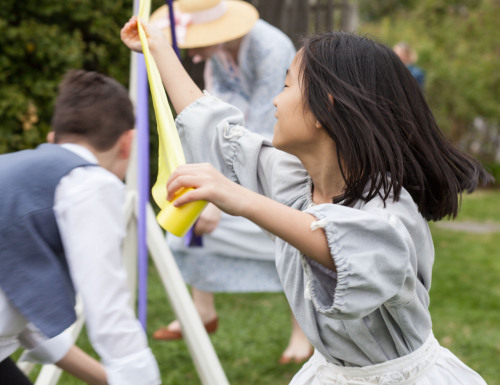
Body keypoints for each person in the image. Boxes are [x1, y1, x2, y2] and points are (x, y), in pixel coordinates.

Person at [122, 17, 493, 384]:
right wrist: (157, 48)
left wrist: (239, 198)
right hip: (331, 374)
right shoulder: (293, 179)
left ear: (324, 109)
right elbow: (219, 132)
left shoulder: (390, 210)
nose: (275, 100)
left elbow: (342, 246)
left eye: (286, 86)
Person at [149, 0, 311, 363]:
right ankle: (202, 309)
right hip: (237, 154)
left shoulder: (270, 48)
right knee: (190, 224)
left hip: (279, 160)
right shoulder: (219, 55)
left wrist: (223, 191)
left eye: (197, 43)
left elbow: (265, 125)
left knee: (294, 239)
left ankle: (303, 331)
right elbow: (214, 110)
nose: (192, 53)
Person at [0, 70, 161, 385]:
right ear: (128, 143)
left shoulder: (12, 172)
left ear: (52, 140)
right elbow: (108, 308)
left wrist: (108, 379)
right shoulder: (90, 183)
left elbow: (23, 302)